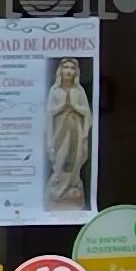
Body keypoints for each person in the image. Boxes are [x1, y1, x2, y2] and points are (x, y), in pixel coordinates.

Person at [45, 56, 91, 210]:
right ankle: (58, 192)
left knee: (74, 163)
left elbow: (87, 113)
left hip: (76, 134)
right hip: (60, 134)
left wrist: (75, 106)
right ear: (60, 70)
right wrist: (62, 107)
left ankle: (71, 189)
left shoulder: (79, 91)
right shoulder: (55, 90)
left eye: (72, 68)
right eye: (66, 67)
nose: (69, 71)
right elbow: (49, 113)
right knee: (60, 163)